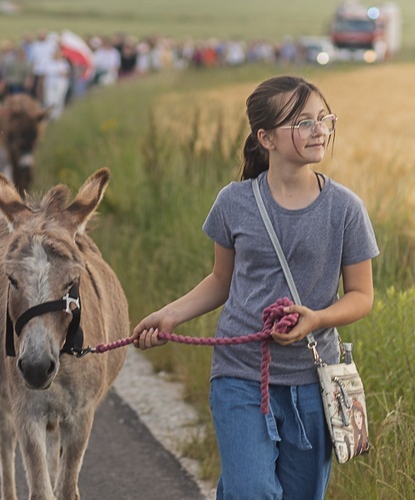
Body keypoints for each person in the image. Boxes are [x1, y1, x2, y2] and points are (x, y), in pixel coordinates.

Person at [131, 75, 378, 499]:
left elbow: (361, 296)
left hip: (314, 380)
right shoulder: (234, 202)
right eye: (302, 122)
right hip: (240, 373)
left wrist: (316, 318)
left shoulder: (345, 209)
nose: (319, 129)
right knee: (252, 491)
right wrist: (169, 315)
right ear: (265, 137)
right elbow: (219, 282)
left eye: (324, 119)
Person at [42, 46, 70, 120]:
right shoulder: (49, 63)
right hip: (50, 83)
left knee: (58, 99)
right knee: (49, 99)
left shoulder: (64, 63)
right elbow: (46, 73)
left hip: (60, 84)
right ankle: (49, 115)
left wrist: (59, 73)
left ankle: (57, 117)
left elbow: (65, 74)